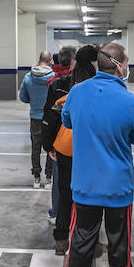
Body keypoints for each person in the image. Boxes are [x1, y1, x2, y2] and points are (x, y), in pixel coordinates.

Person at [60, 43, 134, 267]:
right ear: (120, 66)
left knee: (80, 241)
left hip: (85, 185)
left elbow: (67, 121)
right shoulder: (129, 101)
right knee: (119, 244)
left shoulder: (77, 92)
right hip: (118, 187)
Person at [42, 46, 87, 251]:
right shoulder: (92, 86)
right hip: (87, 147)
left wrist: (49, 145)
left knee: (64, 193)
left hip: (63, 147)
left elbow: (50, 117)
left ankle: (61, 238)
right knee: (86, 194)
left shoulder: (58, 84)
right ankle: (84, 237)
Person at [20, 51, 56, 188]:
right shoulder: (54, 78)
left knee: (36, 147)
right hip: (51, 117)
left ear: (38, 60)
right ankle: (48, 178)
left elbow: (23, 97)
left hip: (35, 117)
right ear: (50, 60)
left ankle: (36, 178)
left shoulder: (28, 77)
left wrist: (34, 103)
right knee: (51, 147)